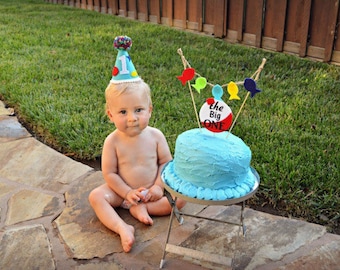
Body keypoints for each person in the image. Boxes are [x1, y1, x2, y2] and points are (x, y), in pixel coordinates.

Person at [88, 36, 185, 253]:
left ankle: (144, 208)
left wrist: (158, 187)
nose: (132, 118)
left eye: (138, 110)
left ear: (149, 110)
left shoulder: (156, 136)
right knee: (96, 197)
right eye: (123, 112)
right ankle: (122, 227)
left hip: (152, 190)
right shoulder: (112, 141)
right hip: (123, 193)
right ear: (110, 114)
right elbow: (110, 173)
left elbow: (167, 164)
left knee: (179, 200)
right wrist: (126, 193)